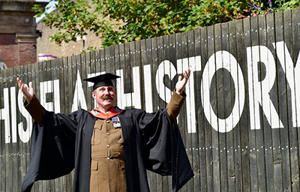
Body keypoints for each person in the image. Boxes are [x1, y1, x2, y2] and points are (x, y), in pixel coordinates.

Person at [18, 69, 194, 192]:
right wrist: (32, 101)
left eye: (110, 89)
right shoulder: (82, 119)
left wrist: (177, 93)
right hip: (92, 183)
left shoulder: (130, 117)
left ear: (114, 93)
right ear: (94, 95)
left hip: (125, 182)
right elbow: (49, 121)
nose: (107, 93)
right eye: (102, 90)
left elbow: (164, 118)